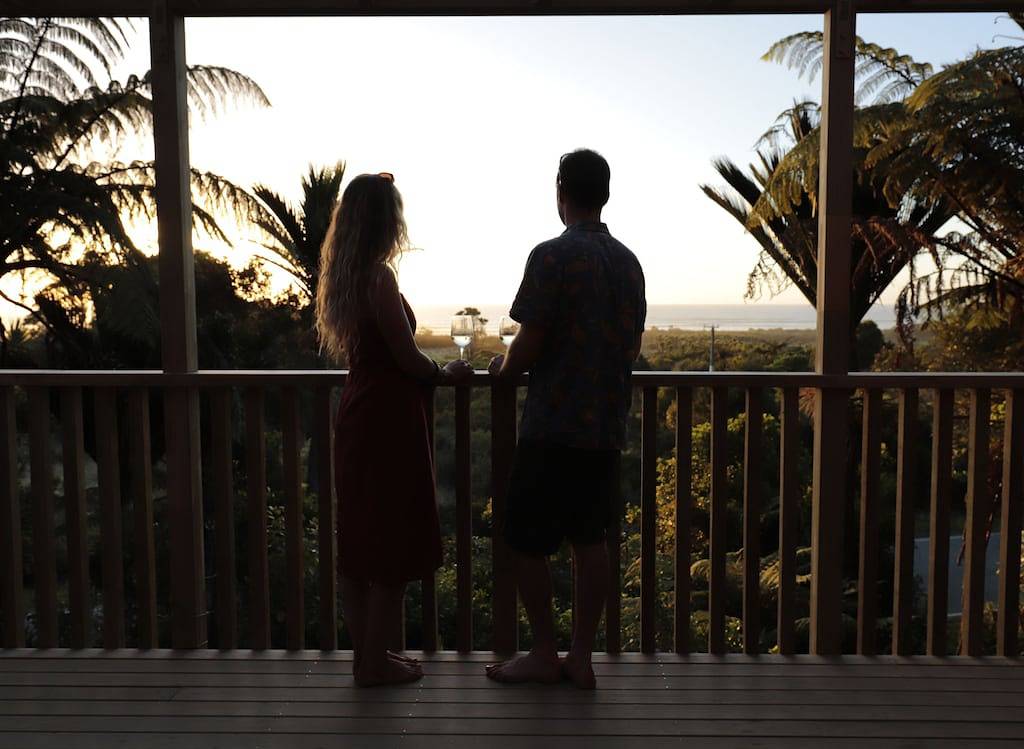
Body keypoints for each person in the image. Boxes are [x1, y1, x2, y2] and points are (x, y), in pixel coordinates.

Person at [486, 149, 646, 689]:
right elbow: (631, 345)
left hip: (552, 424)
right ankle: (581, 656)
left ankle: (543, 651)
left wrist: (503, 372)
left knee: (525, 539)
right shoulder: (629, 263)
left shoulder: (550, 256)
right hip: (604, 426)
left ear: (561, 190)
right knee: (590, 541)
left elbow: (529, 342)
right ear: (604, 193)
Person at [315, 172, 473, 687]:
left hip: (359, 413)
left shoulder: (343, 277)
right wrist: (444, 373)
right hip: (386, 420)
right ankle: (375, 662)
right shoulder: (379, 278)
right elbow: (406, 356)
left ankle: (368, 658)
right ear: (387, 222)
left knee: (361, 539)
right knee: (389, 541)